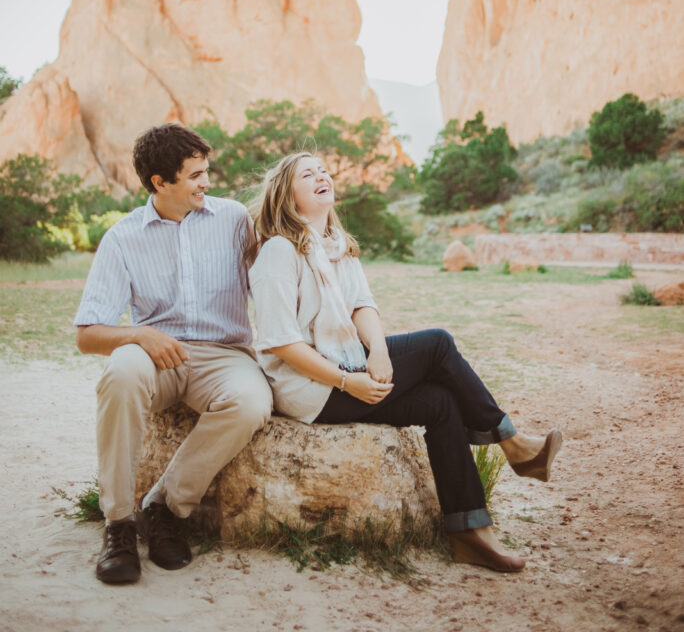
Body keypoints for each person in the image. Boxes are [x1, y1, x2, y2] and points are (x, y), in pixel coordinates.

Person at [248, 152, 562, 573]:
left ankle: (469, 531)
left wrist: (377, 350)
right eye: (308, 174)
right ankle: (514, 444)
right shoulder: (278, 253)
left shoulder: (338, 246)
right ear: (288, 196)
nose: (321, 175)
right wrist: (347, 381)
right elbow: (282, 342)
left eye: (323, 169)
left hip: (349, 365)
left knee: (440, 403)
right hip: (310, 388)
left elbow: (362, 305)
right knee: (437, 345)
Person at [74, 123, 272, 585]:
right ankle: (119, 525)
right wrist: (140, 336)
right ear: (160, 183)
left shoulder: (235, 220)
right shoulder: (123, 237)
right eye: (195, 175)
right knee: (121, 373)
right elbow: (87, 335)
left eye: (207, 171)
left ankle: (164, 506)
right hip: (155, 355)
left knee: (251, 402)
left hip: (224, 355)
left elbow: (274, 282)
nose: (208, 182)